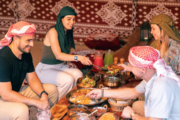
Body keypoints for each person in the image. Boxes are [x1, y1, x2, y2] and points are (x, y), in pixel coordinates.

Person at [87, 46, 180, 120]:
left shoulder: (160, 86)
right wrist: (102, 92)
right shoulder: (154, 74)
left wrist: (132, 114)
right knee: (136, 105)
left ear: (143, 69)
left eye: (131, 66)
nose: (130, 68)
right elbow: (134, 92)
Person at [0, 21, 59, 120]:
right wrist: (36, 102)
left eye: (32, 40)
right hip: (3, 96)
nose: (32, 44)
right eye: (28, 40)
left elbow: (32, 79)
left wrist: (43, 94)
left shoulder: (25, 53)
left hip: (14, 91)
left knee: (51, 90)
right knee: (21, 110)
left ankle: (44, 117)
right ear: (15, 38)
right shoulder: (3, 58)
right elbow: (5, 94)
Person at [35, 6, 92, 100]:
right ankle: (55, 106)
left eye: (73, 19)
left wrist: (66, 62)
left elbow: (63, 53)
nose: (72, 22)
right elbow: (58, 55)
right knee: (67, 80)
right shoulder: (53, 31)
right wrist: (79, 58)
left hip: (60, 65)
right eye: (68, 19)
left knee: (78, 74)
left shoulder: (66, 32)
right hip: (45, 69)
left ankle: (72, 100)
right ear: (61, 18)